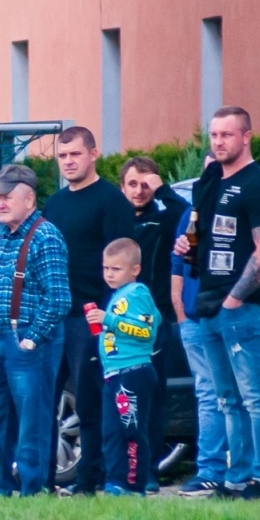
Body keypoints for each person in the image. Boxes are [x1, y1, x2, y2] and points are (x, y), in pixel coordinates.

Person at [173, 107, 260, 501]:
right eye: (214, 135)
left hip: (244, 307)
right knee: (226, 399)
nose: (218, 142)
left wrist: (235, 298)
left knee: (255, 397)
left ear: (246, 136)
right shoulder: (209, 181)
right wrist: (186, 244)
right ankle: (235, 480)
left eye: (227, 134)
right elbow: (197, 230)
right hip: (206, 304)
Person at [43, 126, 135, 495]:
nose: (68, 162)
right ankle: (43, 480)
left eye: (75, 154)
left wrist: (110, 315)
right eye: (62, 156)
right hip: (53, 318)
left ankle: (90, 479)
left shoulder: (111, 202)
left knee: (89, 402)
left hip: (91, 317)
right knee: (46, 401)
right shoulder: (54, 204)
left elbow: (124, 266)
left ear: (93, 154)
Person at [0, 164, 70, 496]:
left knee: (34, 422)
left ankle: (35, 491)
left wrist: (31, 340)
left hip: (30, 341)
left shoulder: (46, 236)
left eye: (7, 197)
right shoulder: (0, 237)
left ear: (29, 199)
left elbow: (58, 299)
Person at [121, 156, 186, 489]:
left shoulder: (163, 220)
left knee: (150, 398)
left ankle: (147, 473)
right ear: (122, 187)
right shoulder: (115, 221)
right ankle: (117, 472)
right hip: (116, 321)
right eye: (132, 183)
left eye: (145, 184)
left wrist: (163, 190)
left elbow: (185, 216)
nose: (139, 190)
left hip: (154, 322)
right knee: (118, 399)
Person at [169, 203, 237, 490]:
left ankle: (243, 472)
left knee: (238, 395)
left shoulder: (236, 206)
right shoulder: (193, 212)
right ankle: (210, 470)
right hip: (194, 320)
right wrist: (181, 312)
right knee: (207, 394)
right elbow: (177, 262)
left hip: (229, 317)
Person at [86, 239, 159, 496]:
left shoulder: (138, 293)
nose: (109, 274)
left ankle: (135, 484)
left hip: (133, 371)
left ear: (135, 269)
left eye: (116, 269)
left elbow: (146, 331)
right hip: (113, 373)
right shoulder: (117, 295)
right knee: (111, 431)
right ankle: (115, 482)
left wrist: (110, 320)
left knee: (132, 430)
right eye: (106, 268)